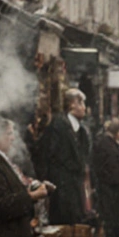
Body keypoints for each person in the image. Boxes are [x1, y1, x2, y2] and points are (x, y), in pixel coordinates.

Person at [40, 88, 92, 225]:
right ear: (72, 105)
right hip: (63, 185)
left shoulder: (82, 130)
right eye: (81, 103)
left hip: (75, 185)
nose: (84, 108)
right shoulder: (58, 125)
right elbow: (52, 154)